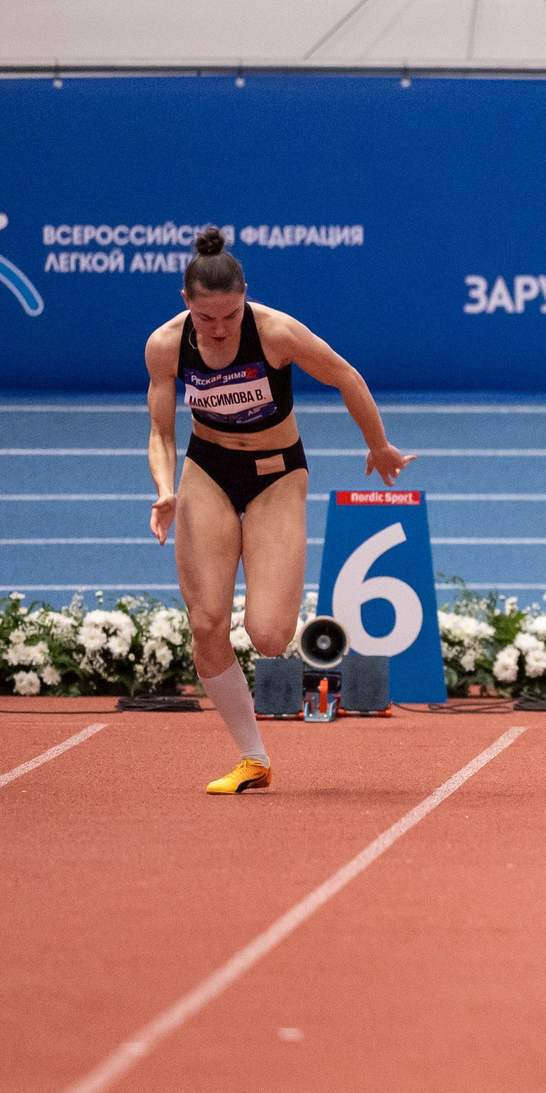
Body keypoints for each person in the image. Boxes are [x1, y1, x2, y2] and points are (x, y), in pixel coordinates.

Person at [145, 228, 413, 794]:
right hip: (207, 471)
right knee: (206, 622)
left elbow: (347, 376)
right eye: (207, 318)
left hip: (276, 474)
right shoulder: (166, 345)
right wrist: (166, 488)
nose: (219, 329)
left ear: (245, 296)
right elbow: (161, 433)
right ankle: (252, 756)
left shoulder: (276, 333)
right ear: (186, 302)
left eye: (229, 316)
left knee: (268, 635)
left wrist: (379, 444)